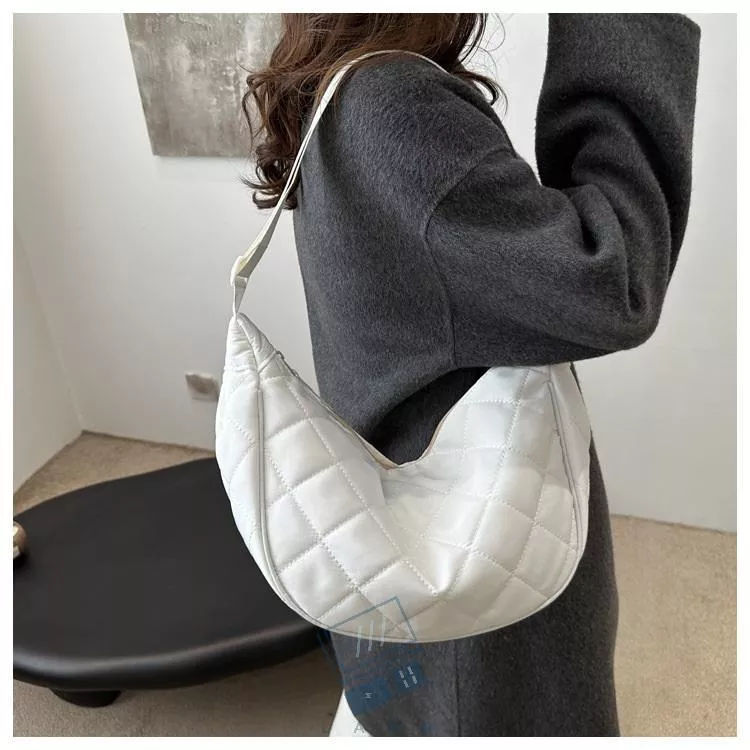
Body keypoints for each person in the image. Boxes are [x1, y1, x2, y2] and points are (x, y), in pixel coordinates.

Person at [243, 13, 701, 737]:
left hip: (404, 498)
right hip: (477, 547)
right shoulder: (397, 104)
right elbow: (614, 280)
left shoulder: (338, 85)